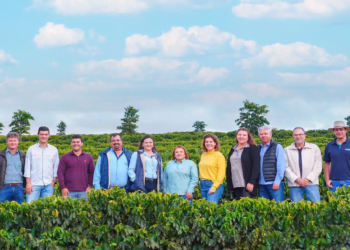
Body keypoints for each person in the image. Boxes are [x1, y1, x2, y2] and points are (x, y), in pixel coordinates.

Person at [284, 127, 322, 202]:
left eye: (300, 134)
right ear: (293, 136)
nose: (298, 136)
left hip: (311, 183)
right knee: (297, 209)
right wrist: (296, 179)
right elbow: (285, 167)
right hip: (294, 184)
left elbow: (318, 166)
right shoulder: (286, 150)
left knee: (316, 208)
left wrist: (308, 179)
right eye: (296, 135)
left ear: (305, 135)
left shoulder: (314, 148)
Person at [24, 126, 59, 202]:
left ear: (49, 135)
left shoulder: (54, 150)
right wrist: (28, 183)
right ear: (38, 135)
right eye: (42, 134)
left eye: (46, 134)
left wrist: (53, 181)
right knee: (30, 208)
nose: (44, 136)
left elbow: (56, 167)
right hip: (34, 184)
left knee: (47, 208)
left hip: (48, 184)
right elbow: (27, 167)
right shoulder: (31, 149)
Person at [226, 128, 260, 200]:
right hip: (235, 184)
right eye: (239, 134)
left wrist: (251, 182)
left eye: (244, 135)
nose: (241, 136)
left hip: (247, 184)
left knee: (246, 207)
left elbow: (256, 167)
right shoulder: (232, 149)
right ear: (236, 136)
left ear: (248, 137)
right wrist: (230, 185)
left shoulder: (252, 148)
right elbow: (229, 168)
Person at [57, 135, 95, 200]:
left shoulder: (88, 157)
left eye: (78, 142)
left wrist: (90, 186)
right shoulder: (64, 157)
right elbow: (60, 173)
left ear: (82, 143)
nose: (76, 144)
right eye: (73, 142)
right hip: (68, 191)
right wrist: (63, 188)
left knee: (85, 209)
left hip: (84, 191)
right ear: (71, 144)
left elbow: (92, 173)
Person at [258, 126, 286, 202]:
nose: (263, 136)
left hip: (273, 183)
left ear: (271, 135)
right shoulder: (258, 148)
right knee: (264, 208)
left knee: (278, 207)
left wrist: (277, 181)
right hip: (261, 184)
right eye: (261, 134)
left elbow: (281, 165)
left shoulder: (277, 146)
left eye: (265, 133)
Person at [198, 133, 225, 204]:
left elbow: (221, 173)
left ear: (215, 143)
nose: (208, 143)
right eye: (206, 142)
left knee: (211, 207)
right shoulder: (203, 155)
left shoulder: (219, 155)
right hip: (203, 184)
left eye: (211, 142)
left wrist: (214, 187)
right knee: (205, 207)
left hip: (213, 184)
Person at [323, 121, 350, 192]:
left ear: (345, 130)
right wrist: (327, 180)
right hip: (334, 182)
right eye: (336, 130)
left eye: (341, 129)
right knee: (335, 202)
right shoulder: (329, 146)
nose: (339, 132)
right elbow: (326, 163)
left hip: (349, 181)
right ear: (334, 131)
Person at [0, 132, 26, 204]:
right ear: (6, 142)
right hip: (4, 188)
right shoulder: (1, 155)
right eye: (10, 140)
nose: (12, 142)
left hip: (19, 188)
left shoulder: (23, 156)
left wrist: (25, 185)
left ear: (18, 142)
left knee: (19, 211)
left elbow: (25, 171)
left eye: (14, 140)